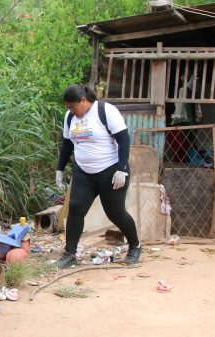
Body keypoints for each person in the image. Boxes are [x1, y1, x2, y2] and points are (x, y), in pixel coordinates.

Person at [54, 84, 141, 268]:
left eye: (73, 107)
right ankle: (70, 254)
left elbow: (124, 139)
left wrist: (122, 169)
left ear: (83, 100)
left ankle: (135, 245)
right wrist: (59, 169)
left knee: (115, 213)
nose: (70, 111)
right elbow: (67, 144)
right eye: (68, 108)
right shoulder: (70, 117)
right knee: (76, 208)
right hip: (84, 171)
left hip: (110, 170)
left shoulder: (106, 111)